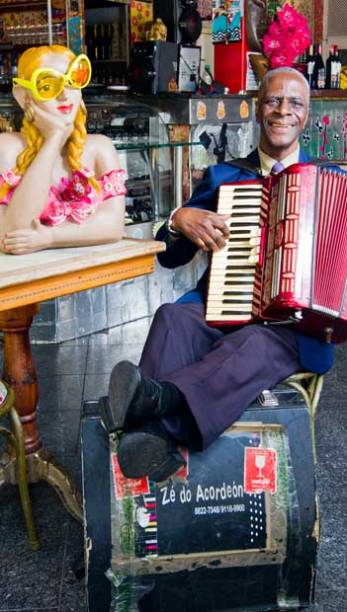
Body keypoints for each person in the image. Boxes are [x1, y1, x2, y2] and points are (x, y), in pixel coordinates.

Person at [100, 67, 341, 483]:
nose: (283, 111)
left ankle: (154, 420)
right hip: (220, 304)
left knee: (254, 340)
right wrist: (179, 218)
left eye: (295, 103)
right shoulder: (225, 177)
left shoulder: (332, 182)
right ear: (258, 109)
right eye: (273, 100)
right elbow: (171, 258)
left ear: (306, 114)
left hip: (292, 325)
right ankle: (155, 436)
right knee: (173, 317)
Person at [0, 45, 125, 255]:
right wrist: (54, 138)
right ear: (23, 96)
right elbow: (12, 234)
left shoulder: (100, 148)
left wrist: (49, 237)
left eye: (73, 80)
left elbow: (114, 226)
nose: (64, 95)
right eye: (48, 86)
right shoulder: (7, 147)